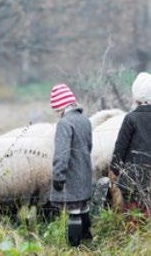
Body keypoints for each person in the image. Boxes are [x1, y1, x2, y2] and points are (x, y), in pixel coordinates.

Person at [49, 83, 93, 247]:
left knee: (73, 211)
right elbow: (89, 147)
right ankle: (88, 241)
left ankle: (74, 247)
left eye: (56, 110)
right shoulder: (85, 120)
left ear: (60, 107)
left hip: (71, 175)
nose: (56, 114)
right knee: (83, 208)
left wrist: (58, 176)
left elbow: (62, 153)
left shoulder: (64, 124)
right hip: (85, 173)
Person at [110, 72, 151, 215]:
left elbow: (120, 147)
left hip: (133, 177)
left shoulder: (130, 118)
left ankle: (134, 235)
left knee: (133, 213)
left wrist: (115, 169)